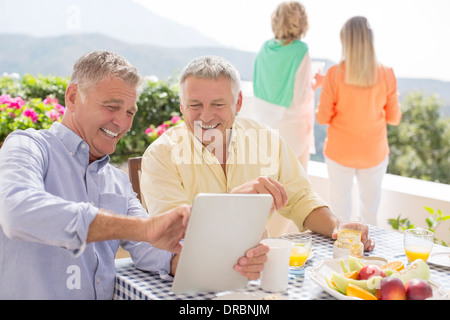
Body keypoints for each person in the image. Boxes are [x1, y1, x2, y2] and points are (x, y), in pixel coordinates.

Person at [0, 50, 265, 299]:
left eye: (129, 112)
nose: (123, 123)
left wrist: (231, 261)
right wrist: (145, 228)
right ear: (72, 97)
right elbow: (17, 212)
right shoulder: (28, 146)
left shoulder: (116, 181)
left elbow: (149, 246)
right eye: (111, 107)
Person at [140, 55, 375, 257]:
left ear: (238, 102)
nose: (206, 116)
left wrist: (338, 226)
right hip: (196, 275)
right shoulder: (161, 155)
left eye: (218, 104)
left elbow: (301, 198)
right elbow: (172, 234)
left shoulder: (264, 138)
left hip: (260, 267)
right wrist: (232, 200)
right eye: (195, 105)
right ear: (182, 106)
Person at [316, 16, 402, 225]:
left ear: (345, 42)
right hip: (373, 153)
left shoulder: (334, 74)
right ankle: (369, 255)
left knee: (340, 212)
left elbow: (322, 117)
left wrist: (324, 87)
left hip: (340, 152)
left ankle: (341, 255)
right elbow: (394, 118)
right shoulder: (386, 73)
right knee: (369, 213)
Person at [253, 1, 323, 171]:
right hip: (291, 133)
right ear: (301, 22)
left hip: (264, 130)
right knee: (294, 190)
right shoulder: (300, 50)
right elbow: (300, 98)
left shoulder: (264, 48)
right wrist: (316, 83)